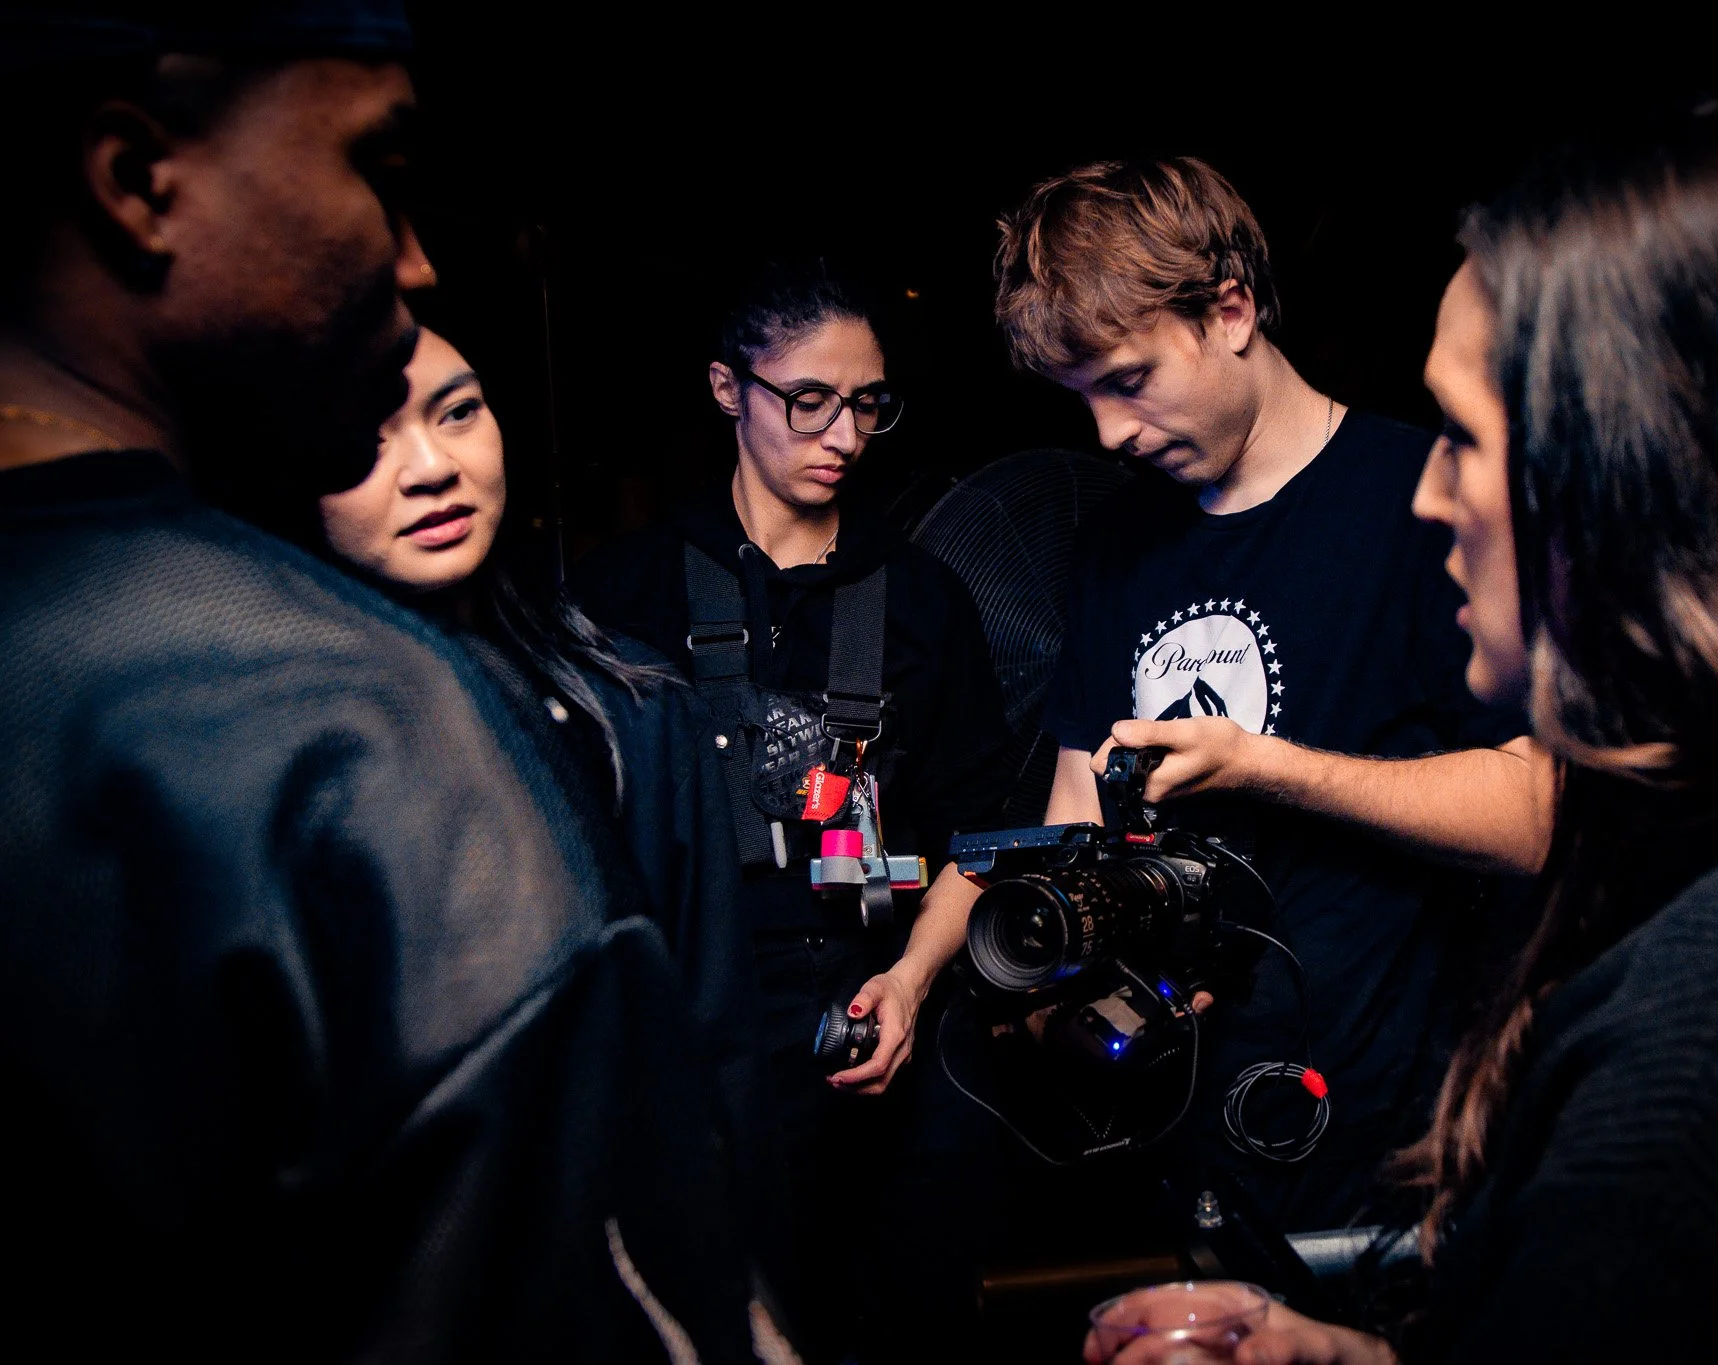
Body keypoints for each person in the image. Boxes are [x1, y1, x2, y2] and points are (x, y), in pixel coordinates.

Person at [1091, 99, 1718, 1365]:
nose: (1431, 496)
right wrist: (1346, 1354)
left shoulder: (1716, 1037)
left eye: (1468, 442)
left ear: (1625, 478)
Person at [0, 7, 749, 1359]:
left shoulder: (621, 704)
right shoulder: (352, 723)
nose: (413, 255)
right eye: (376, 166)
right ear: (139, 182)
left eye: (460, 410)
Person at [990, 157, 1546, 1232]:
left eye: (1127, 379)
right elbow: (1073, 803)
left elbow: (1539, 813)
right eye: (1080, 399)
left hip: (1388, 1141)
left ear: (1229, 309)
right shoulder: (1116, 537)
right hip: (1166, 1132)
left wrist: (1265, 768)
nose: (1105, 434)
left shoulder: (1425, 497)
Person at [570, 258, 1012, 1361]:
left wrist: (909, 981)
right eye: (808, 400)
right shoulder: (623, 596)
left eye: (867, 403)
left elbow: (985, 833)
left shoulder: (920, 601)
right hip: (704, 1053)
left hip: (892, 1028)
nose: (845, 436)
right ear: (728, 389)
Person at [314, 319, 762, 1248]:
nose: (432, 466)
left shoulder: (639, 711)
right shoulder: (291, 756)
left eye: (460, 412)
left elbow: (716, 1037)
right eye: (363, 441)